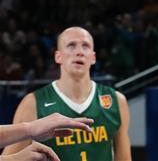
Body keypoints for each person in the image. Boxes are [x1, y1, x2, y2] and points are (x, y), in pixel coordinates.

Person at [3, 27, 131, 160]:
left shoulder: (117, 100)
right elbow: (10, 157)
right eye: (71, 46)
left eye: (85, 46)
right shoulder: (33, 103)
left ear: (93, 58)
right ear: (58, 56)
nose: (79, 52)